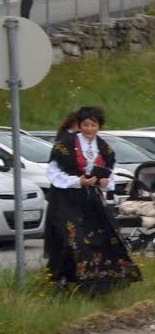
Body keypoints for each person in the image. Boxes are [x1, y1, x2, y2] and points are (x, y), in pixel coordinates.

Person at [42, 105, 141, 294]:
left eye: (93, 125)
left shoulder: (105, 147)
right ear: (79, 125)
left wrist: (104, 182)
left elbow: (110, 172)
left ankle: (100, 282)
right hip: (66, 199)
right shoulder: (65, 144)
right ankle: (63, 278)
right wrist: (78, 181)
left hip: (92, 200)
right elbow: (53, 172)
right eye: (85, 125)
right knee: (73, 239)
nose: (89, 129)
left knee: (103, 236)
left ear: (99, 126)